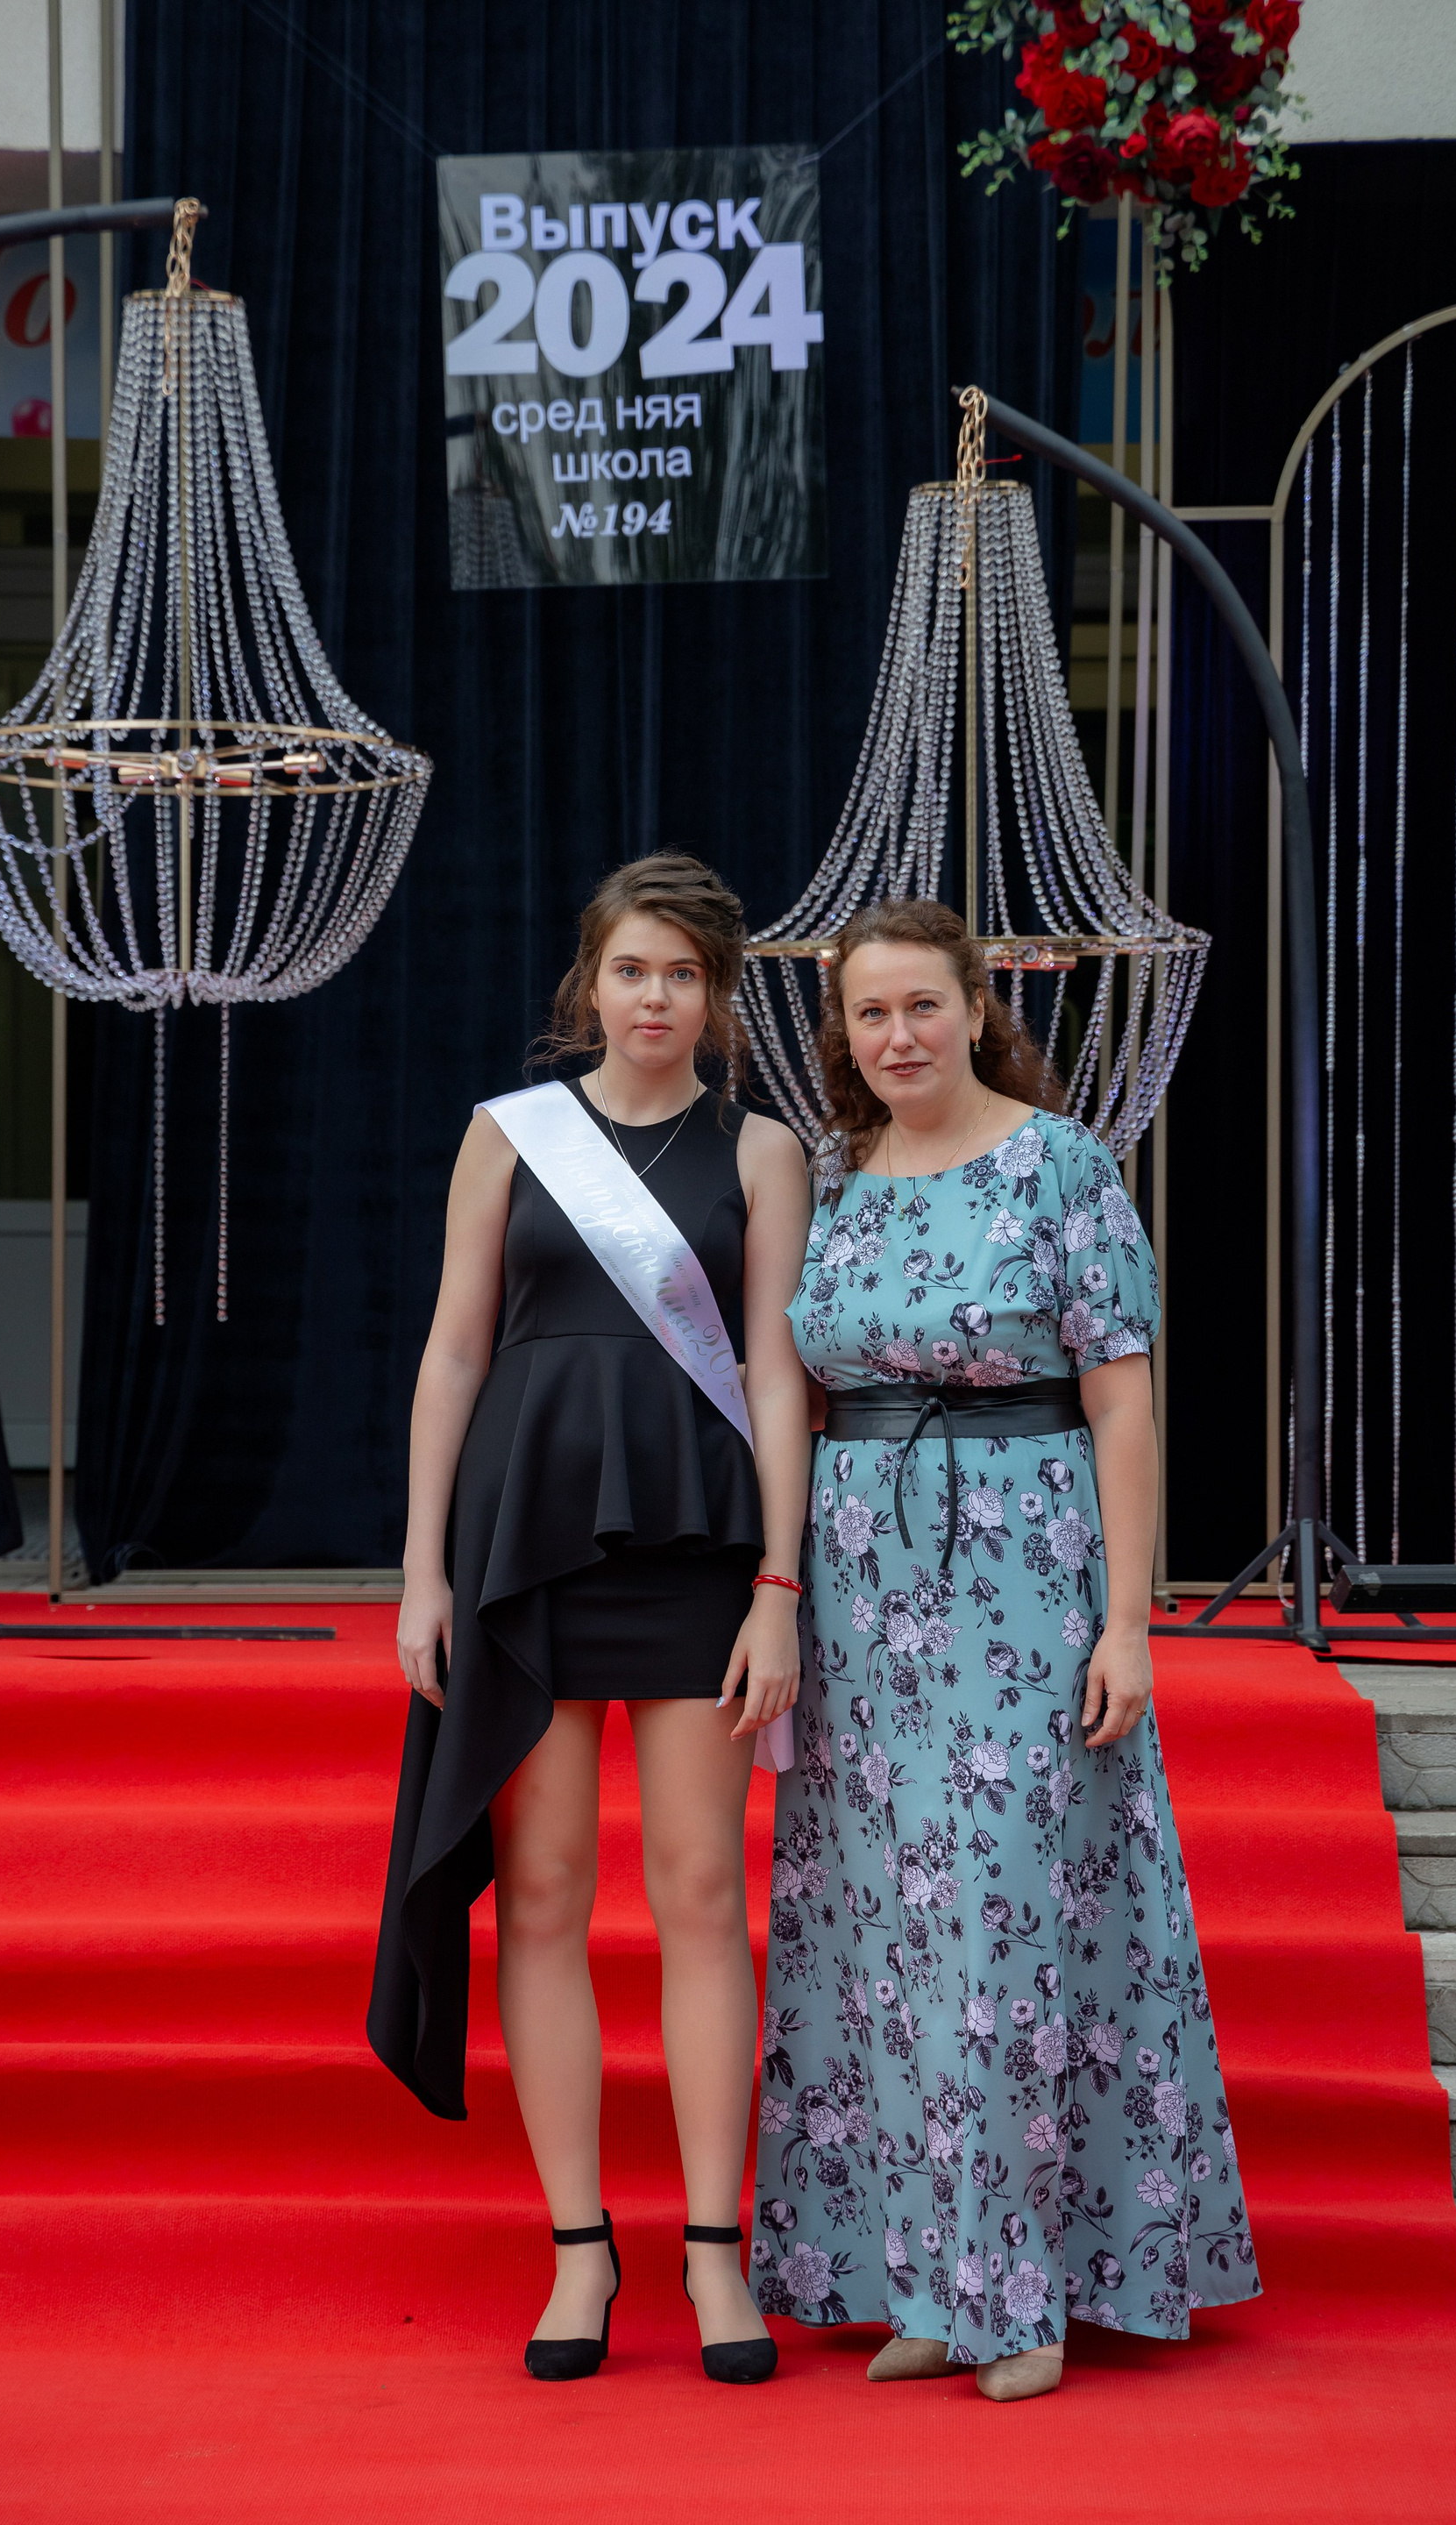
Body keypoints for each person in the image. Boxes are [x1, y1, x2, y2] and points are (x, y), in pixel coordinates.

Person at [750, 898, 1259, 2401]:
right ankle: (923, 2278)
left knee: (1004, 1931)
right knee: (882, 1943)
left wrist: (1128, 1622)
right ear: (843, 1033)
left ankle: (1022, 2294)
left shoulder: (1062, 1166)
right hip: (861, 1601)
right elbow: (801, 1397)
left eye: (922, 1004)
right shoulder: (839, 1182)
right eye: (869, 1013)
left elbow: (1124, 1407)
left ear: (976, 1007)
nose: (897, 1035)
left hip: (1023, 1583)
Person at [368, 852, 813, 2386]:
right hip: (524, 1547)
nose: (655, 998)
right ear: (591, 982)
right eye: (632, 970)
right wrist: (421, 1571)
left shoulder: (765, 1151)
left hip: (700, 1546)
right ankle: (579, 2249)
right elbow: (452, 1354)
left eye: (683, 974)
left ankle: (713, 2251)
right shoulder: (510, 1133)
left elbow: (775, 1377)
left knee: (700, 1890)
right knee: (545, 1894)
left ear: (718, 994)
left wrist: (780, 1587)